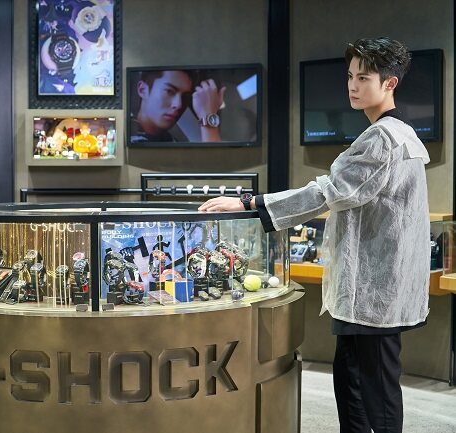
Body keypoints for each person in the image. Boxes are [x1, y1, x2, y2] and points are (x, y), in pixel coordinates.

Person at [200, 37, 429, 433]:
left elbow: (330, 192)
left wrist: (250, 202)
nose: (352, 86)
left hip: (371, 292)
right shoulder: (402, 133)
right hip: (376, 289)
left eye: (364, 78)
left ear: (390, 83)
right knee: (353, 377)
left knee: (373, 386)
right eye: (350, 76)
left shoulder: (382, 138)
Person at [129, 70, 226, 143]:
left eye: (185, 96)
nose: (178, 104)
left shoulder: (171, 140)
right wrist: (208, 117)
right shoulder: (127, 137)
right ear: (143, 90)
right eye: (169, 91)